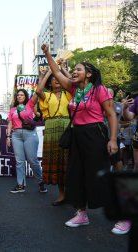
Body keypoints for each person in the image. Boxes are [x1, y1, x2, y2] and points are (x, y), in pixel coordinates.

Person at [41, 44, 125, 234]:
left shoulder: (99, 90)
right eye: (73, 69)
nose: (73, 71)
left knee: (100, 178)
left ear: (88, 74)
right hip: (77, 136)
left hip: (95, 135)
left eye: (78, 69)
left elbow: (111, 115)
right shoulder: (72, 90)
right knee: (76, 176)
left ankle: (123, 216)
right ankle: (81, 213)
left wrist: (112, 140)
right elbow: (56, 70)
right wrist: (47, 53)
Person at [35, 69, 72, 205]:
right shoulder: (47, 95)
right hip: (51, 127)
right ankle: (61, 194)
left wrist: (61, 70)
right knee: (57, 161)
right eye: (54, 79)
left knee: (69, 159)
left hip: (66, 125)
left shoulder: (68, 93)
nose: (57, 80)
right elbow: (38, 90)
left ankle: (71, 192)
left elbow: (73, 83)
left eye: (59, 78)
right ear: (50, 83)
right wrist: (47, 73)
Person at [6, 89, 47, 194]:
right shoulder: (12, 109)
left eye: (22, 95)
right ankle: (20, 185)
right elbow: (10, 123)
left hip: (30, 134)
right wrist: (8, 136)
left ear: (25, 96)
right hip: (16, 135)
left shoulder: (29, 104)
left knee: (32, 160)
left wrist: (42, 76)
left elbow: (38, 91)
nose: (19, 96)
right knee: (19, 161)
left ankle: (40, 182)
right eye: (18, 95)